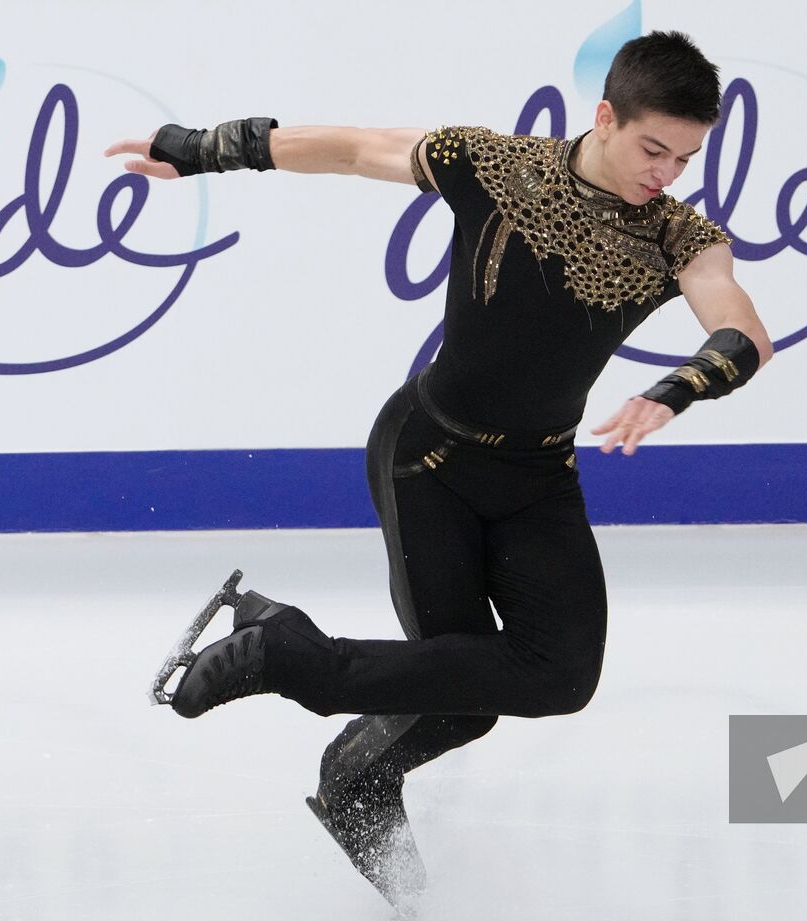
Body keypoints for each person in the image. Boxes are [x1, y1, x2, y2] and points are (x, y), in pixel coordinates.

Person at [108, 30, 773, 911]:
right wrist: (200, 151)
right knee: (459, 701)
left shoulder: (680, 235)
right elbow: (351, 148)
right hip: (427, 457)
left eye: (686, 156)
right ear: (606, 116)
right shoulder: (493, 165)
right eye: (655, 148)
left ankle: (296, 668)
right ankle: (314, 709)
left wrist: (678, 388)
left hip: (538, 475)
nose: (668, 173)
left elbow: (743, 329)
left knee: (560, 676)